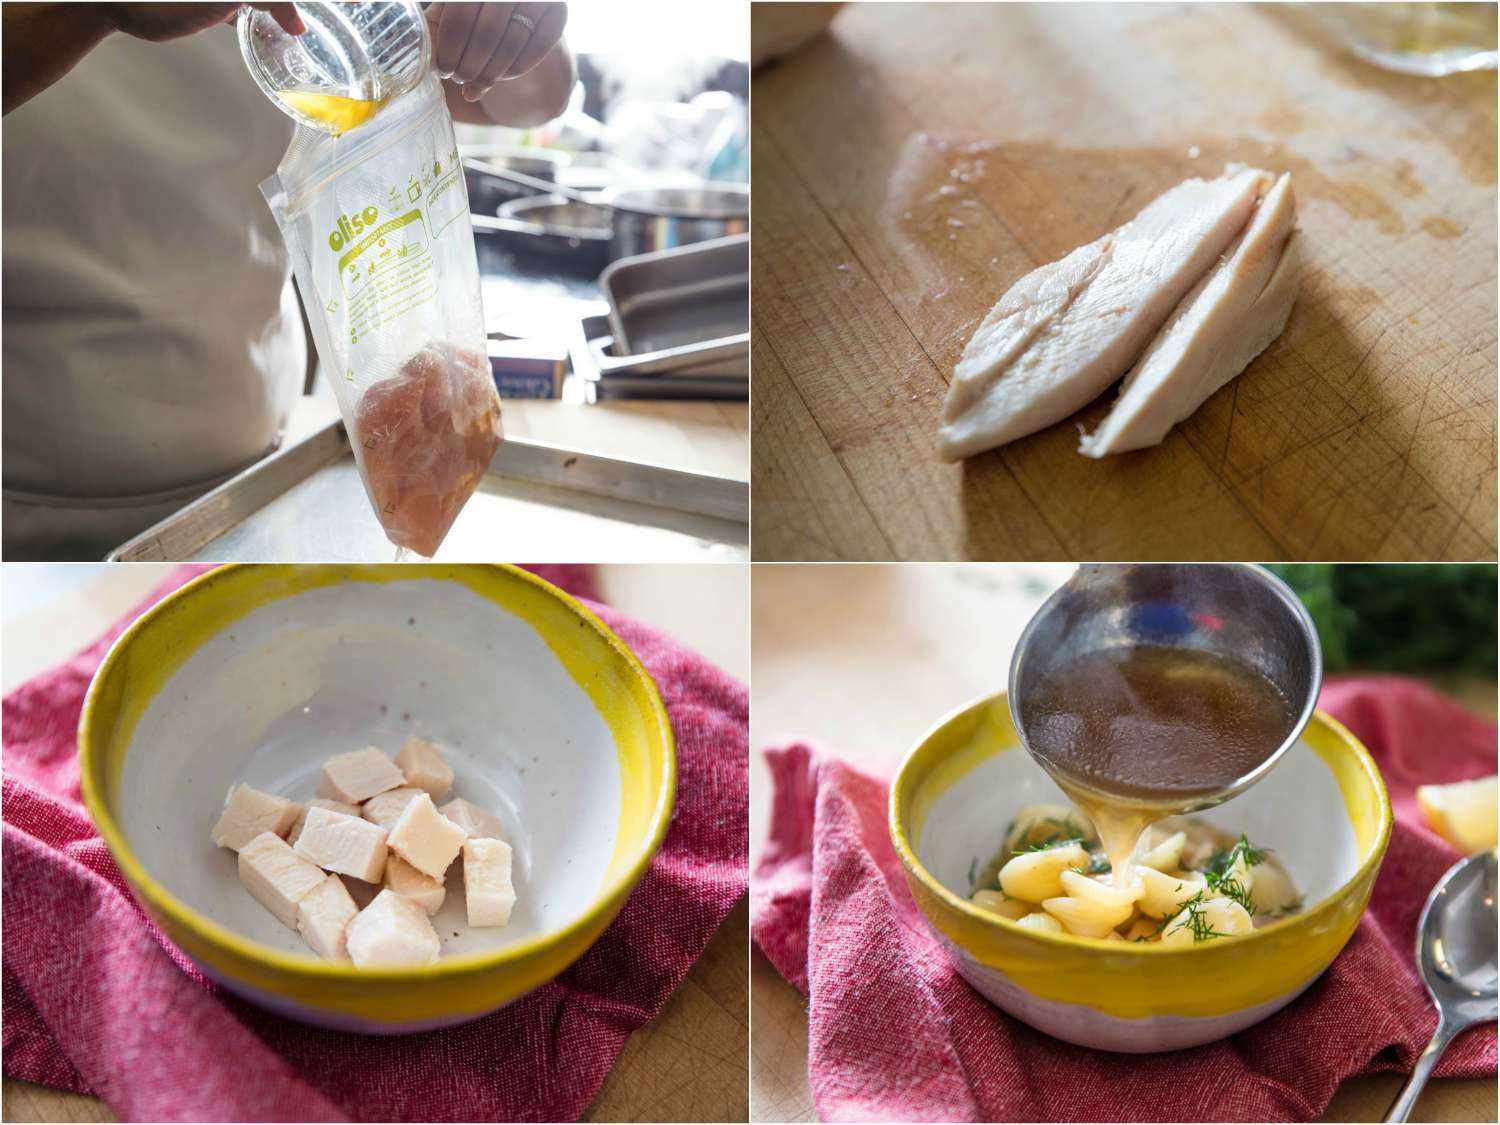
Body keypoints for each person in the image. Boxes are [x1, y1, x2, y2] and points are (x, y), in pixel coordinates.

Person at [2, 2, 573, 559]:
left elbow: (536, 95)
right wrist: (85, 11)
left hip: (250, 475)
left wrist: (513, 23)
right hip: (29, 503)